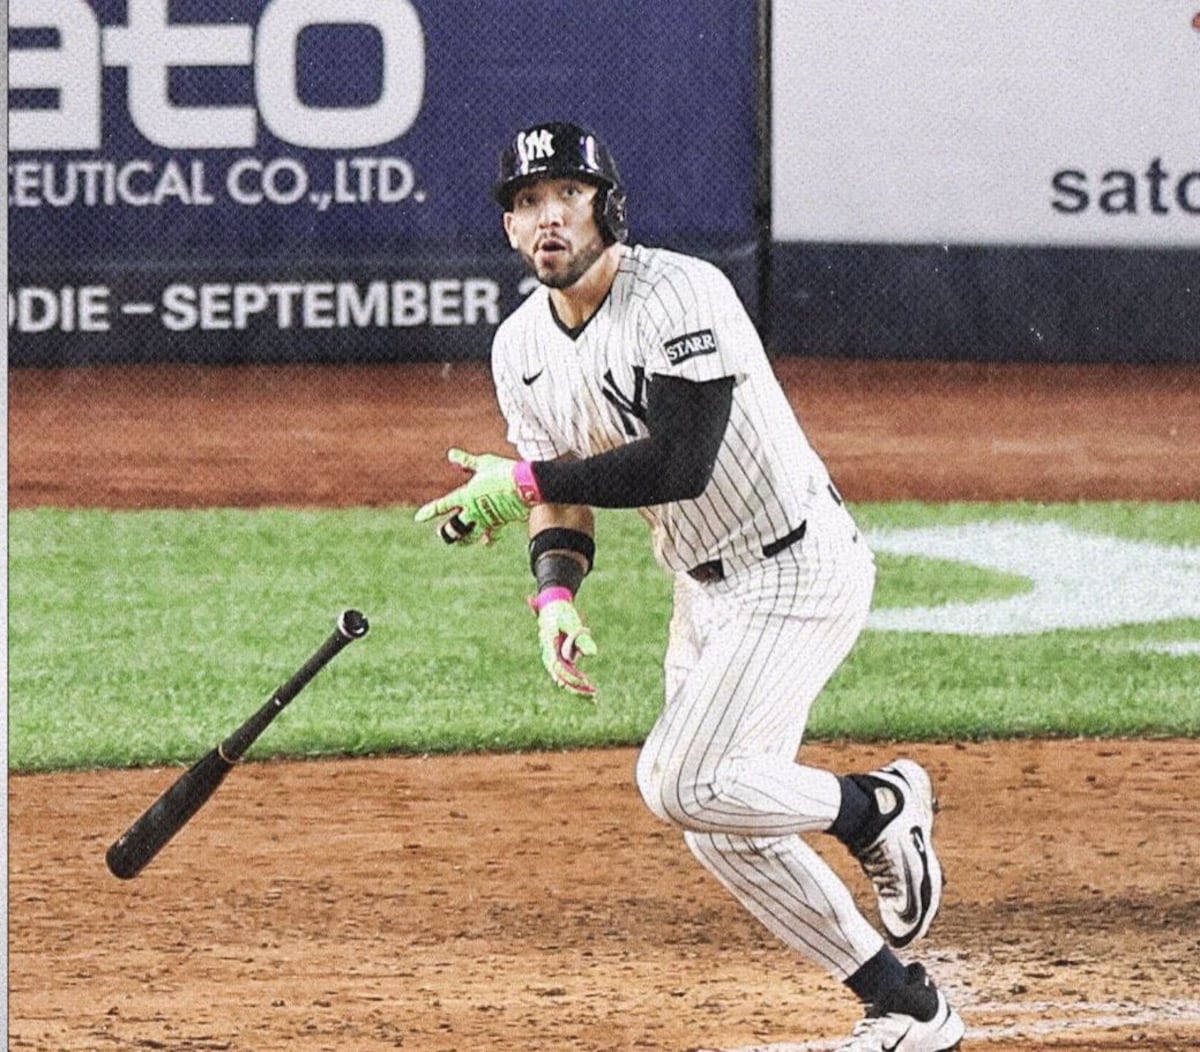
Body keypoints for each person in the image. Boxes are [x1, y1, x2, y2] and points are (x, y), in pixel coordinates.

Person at [415, 121, 965, 1052]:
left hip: (797, 567)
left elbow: (679, 462)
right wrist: (555, 594)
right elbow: (561, 496)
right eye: (527, 202)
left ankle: (876, 805)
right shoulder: (520, 346)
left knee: (681, 781)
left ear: (605, 206)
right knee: (720, 824)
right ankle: (906, 1006)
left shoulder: (681, 293)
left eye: (567, 195)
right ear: (509, 227)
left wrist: (518, 484)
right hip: (702, 594)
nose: (548, 218)